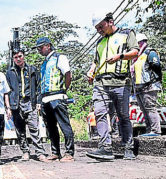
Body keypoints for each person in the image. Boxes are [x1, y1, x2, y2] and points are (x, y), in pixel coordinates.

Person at [86, 12, 139, 161]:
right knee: (100, 113)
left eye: (101, 27)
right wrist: (91, 71)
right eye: (97, 28)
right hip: (101, 83)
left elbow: (135, 52)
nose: (99, 31)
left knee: (123, 116)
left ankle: (128, 146)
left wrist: (119, 57)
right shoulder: (99, 42)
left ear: (110, 21)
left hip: (121, 82)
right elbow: (96, 61)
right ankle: (105, 148)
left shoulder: (127, 34)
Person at [35, 37, 75, 162]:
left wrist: (64, 90)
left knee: (64, 125)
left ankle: (69, 153)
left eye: (41, 47)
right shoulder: (44, 63)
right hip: (46, 99)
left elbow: (68, 75)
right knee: (50, 127)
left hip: (58, 97)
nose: (39, 51)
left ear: (48, 46)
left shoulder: (60, 58)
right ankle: (55, 152)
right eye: (38, 48)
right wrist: (40, 101)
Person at [6, 49, 48, 162]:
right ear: (13, 59)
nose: (18, 59)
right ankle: (25, 151)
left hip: (31, 102)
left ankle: (40, 152)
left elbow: (39, 86)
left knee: (34, 128)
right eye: (15, 57)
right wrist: (8, 107)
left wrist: (39, 102)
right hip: (16, 104)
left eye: (20, 56)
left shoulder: (32, 70)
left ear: (23, 56)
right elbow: (7, 91)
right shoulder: (10, 72)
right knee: (20, 130)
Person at [133, 33, 162, 136]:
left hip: (149, 86)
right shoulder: (138, 56)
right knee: (144, 109)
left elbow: (156, 65)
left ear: (141, 42)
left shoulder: (150, 52)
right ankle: (149, 130)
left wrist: (154, 79)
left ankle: (155, 131)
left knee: (150, 108)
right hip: (139, 87)